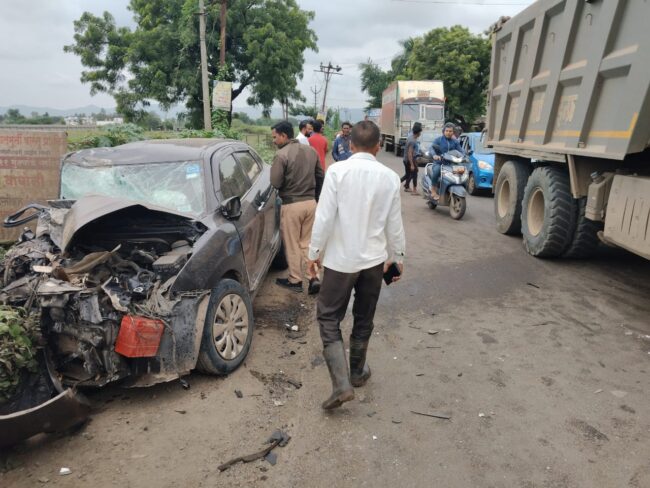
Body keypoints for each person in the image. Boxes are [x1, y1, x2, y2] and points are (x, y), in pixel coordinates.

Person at [307, 120, 406, 410]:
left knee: (328, 317)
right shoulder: (390, 178)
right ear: (378, 147)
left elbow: (324, 217)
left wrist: (314, 253)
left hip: (341, 261)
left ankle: (341, 385)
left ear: (350, 145)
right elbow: (395, 223)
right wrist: (398, 257)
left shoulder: (337, 172)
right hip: (373, 262)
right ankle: (357, 372)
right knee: (364, 316)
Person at [270, 121, 324, 294]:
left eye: (275, 137)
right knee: (307, 243)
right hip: (311, 203)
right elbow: (320, 176)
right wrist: (315, 197)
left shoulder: (281, 155)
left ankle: (295, 280)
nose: (273, 141)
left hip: (291, 205)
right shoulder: (311, 151)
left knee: (292, 244)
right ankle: (314, 277)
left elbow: (275, 182)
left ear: (284, 135)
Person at [428, 122, 464, 200]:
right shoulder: (438, 140)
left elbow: (461, 151)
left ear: (453, 132)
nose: (448, 132)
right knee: (436, 171)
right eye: (446, 131)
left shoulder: (455, 142)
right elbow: (431, 148)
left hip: (451, 164)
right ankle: (433, 190)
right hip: (439, 163)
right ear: (443, 131)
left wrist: (464, 156)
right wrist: (434, 155)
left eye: (450, 131)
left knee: (461, 171)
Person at [401, 122, 422, 194]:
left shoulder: (411, 137)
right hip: (409, 160)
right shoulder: (412, 140)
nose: (420, 133)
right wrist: (412, 164)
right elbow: (410, 153)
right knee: (414, 173)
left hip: (406, 159)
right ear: (418, 132)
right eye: (420, 132)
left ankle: (406, 186)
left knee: (408, 175)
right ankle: (414, 190)